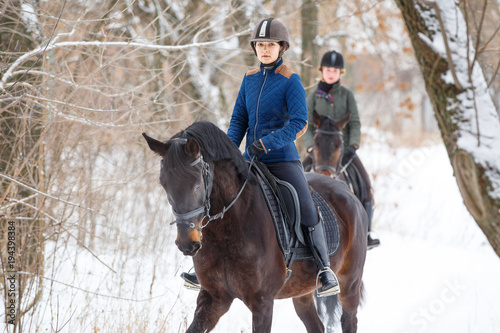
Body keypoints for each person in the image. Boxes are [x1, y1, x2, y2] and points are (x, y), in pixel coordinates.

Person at [181, 18, 340, 297]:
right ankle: (204, 266)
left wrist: (266, 144)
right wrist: (226, 153)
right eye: (260, 45)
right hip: (249, 160)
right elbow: (238, 120)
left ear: (282, 47)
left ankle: (324, 268)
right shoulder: (249, 79)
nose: (265, 49)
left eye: (270, 45)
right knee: (217, 197)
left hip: (282, 160)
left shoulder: (291, 81)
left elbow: (299, 123)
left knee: (304, 204)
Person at [302, 50, 380, 249]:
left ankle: (367, 233)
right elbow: (307, 124)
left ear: (340, 73)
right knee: (298, 177)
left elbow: (354, 122)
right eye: (328, 70)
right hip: (319, 149)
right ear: (322, 71)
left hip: (342, 150)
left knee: (365, 182)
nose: (331, 73)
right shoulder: (313, 97)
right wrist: (310, 145)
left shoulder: (346, 95)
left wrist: (353, 145)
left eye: (335, 71)